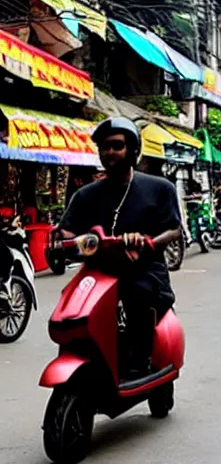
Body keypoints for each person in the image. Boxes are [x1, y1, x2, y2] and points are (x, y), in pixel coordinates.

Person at [56, 117, 182, 379]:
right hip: (98, 270)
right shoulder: (86, 195)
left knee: (138, 293)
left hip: (144, 270)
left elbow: (174, 229)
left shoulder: (160, 188)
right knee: (72, 302)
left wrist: (147, 241)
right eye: (104, 147)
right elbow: (66, 229)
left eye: (117, 146)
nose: (109, 152)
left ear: (133, 151)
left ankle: (140, 359)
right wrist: (63, 239)